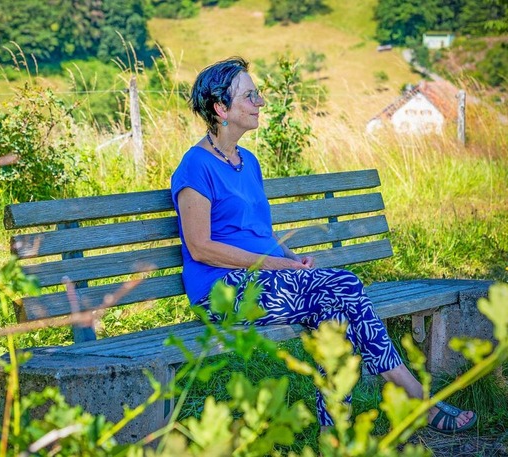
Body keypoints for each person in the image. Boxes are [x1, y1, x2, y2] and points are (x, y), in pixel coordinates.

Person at [170, 56, 477, 434]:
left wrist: (291, 259)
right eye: (250, 96)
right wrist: (277, 267)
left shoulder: (246, 161)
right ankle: (416, 401)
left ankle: (335, 434)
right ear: (221, 108)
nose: (260, 103)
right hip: (222, 292)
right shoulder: (194, 167)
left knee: (334, 308)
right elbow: (201, 247)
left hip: (263, 280)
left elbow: (257, 232)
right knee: (344, 287)